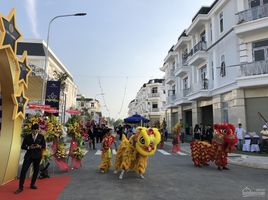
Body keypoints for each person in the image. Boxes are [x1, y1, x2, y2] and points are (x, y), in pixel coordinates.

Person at [15, 124, 46, 194]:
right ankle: (20, 187)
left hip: (37, 156)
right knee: (23, 171)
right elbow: (23, 146)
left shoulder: (41, 137)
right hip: (28, 156)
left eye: (36, 130)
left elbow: (44, 146)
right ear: (31, 130)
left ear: (38, 130)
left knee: (36, 171)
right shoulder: (27, 136)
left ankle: (32, 184)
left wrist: (39, 146)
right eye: (33, 131)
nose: (34, 132)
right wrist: (29, 147)